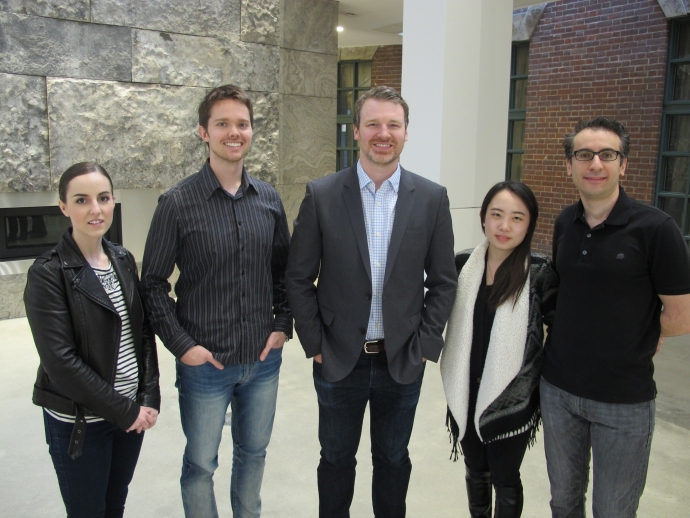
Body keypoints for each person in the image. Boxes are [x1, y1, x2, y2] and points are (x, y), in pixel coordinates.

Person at [286, 85, 458, 518]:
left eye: (393, 125)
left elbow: (443, 282)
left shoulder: (432, 199)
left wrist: (425, 346)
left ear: (405, 133)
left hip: (402, 359)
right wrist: (315, 344)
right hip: (338, 357)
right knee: (337, 461)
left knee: (394, 461)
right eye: (374, 124)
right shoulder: (322, 195)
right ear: (357, 131)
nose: (384, 133)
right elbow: (298, 277)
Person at [140, 84, 292, 518]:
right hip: (205, 367)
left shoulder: (268, 199)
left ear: (250, 131)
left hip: (262, 362)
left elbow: (284, 272)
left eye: (241, 124)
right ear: (203, 132)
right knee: (201, 464)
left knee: (254, 454)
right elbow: (152, 283)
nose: (234, 132)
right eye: (222, 123)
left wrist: (282, 325)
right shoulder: (176, 203)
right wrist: (184, 347)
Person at [541, 116, 690, 517]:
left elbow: (681, 314)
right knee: (563, 502)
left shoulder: (657, 229)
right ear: (569, 165)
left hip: (623, 402)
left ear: (623, 164)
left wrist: (640, 334)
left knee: (613, 510)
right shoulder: (563, 224)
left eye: (608, 154)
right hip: (558, 391)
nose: (595, 164)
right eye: (584, 154)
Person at [24, 162, 161, 518]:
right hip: (81, 422)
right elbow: (60, 362)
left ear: (114, 201)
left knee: (114, 505)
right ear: (64, 207)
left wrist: (148, 396)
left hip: (129, 416)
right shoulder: (48, 273)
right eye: (82, 200)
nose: (95, 209)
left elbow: (142, 332)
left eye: (103, 198)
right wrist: (125, 410)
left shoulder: (123, 259)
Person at [440, 181, 558, 518]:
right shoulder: (463, 264)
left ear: (529, 224)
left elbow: (561, 326)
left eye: (517, 218)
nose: (505, 227)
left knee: (505, 478)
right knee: (475, 471)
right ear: (483, 219)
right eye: (497, 215)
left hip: (513, 397)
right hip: (466, 388)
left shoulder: (540, 272)